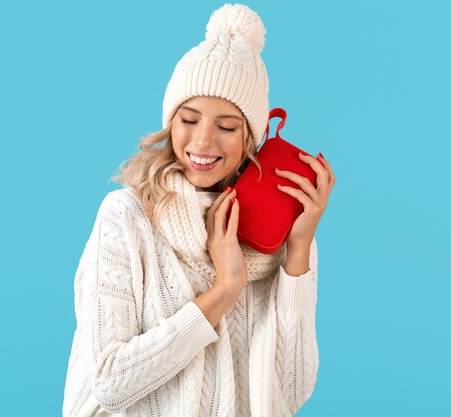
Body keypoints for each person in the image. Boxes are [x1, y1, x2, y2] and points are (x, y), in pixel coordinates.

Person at [62, 3, 336, 417]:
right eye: (188, 119)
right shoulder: (128, 216)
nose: (203, 141)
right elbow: (109, 381)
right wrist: (225, 289)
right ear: (170, 123)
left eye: (226, 127)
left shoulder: (280, 240)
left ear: (251, 137)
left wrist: (298, 251)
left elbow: (291, 391)